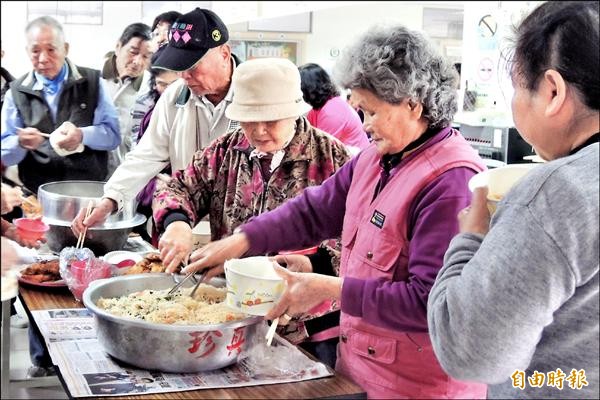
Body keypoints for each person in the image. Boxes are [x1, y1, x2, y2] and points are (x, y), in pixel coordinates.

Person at [166, 24, 489, 398]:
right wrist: (242, 240)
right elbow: (312, 212)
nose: (364, 127)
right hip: (362, 368)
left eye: (371, 113)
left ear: (413, 104)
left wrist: (328, 287)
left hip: (418, 384)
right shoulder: (376, 157)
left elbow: (429, 303)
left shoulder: (451, 182)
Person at [427, 2, 599, 399]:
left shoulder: (556, 193)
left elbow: (470, 352)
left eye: (520, 86)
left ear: (552, 91)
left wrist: (469, 241)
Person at [154, 57, 351, 367]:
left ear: (294, 111)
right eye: (248, 120)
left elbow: (360, 236)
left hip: (311, 326)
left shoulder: (332, 157)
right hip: (233, 317)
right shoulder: (226, 151)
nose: (258, 130)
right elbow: (177, 188)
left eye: (271, 120)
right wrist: (177, 224)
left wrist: (315, 263)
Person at [72, 8, 241, 237]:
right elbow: (146, 155)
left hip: (244, 233)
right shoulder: (175, 97)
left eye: (193, 66)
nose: (184, 76)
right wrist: (110, 199)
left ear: (223, 53)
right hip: (183, 226)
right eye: (179, 67)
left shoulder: (256, 96)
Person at [0, 16, 120, 194]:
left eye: (51, 49)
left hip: (87, 193)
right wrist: (20, 142)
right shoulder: (16, 92)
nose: (43, 58)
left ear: (65, 48)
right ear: (27, 51)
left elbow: (112, 136)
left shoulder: (93, 82)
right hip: (37, 194)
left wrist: (81, 135)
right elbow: (6, 156)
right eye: (35, 51)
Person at [130, 46, 179, 243]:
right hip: (154, 196)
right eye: (161, 84)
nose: (168, 92)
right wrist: (156, 179)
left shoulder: (196, 110)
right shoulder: (149, 111)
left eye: (174, 84)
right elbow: (141, 157)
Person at [101, 22, 153, 175]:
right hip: (88, 174)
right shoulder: (91, 78)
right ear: (118, 47)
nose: (138, 62)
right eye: (133, 52)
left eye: (146, 56)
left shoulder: (151, 90)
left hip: (124, 177)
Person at [299, 63, 369, 153]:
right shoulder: (318, 108)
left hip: (354, 161)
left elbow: (321, 150)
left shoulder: (331, 111)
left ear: (307, 88)